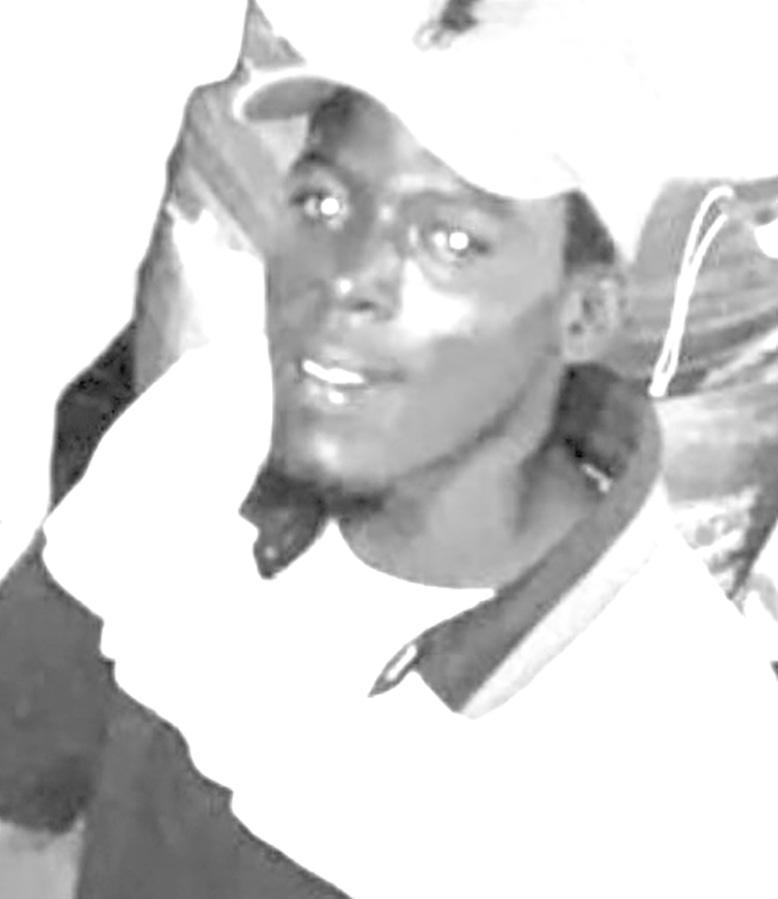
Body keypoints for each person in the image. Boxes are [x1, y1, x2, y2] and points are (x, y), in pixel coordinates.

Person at [3, 1, 778, 897]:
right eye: (322, 202)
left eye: (451, 241)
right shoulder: (206, 428)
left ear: (585, 313)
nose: (344, 279)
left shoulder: (687, 780)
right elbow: (20, 788)